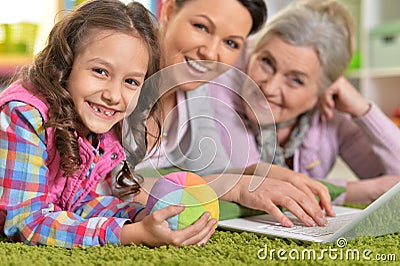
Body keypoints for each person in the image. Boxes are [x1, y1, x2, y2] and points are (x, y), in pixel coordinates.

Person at [0, 0, 216, 248]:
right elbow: (27, 222)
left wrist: (138, 216)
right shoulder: (24, 116)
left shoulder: (101, 128)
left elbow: (75, 203)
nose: (114, 95)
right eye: (101, 71)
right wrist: (130, 235)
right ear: (66, 65)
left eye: (131, 82)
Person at [133, 0, 334, 228]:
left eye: (230, 43)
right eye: (201, 27)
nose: (210, 53)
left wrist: (261, 173)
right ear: (168, 11)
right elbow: (100, 186)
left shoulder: (194, 87)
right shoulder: (123, 69)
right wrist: (234, 187)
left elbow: (214, 170)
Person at [232, 0, 400, 205]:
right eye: (266, 62)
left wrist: (362, 109)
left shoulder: (331, 117)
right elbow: (238, 175)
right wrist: (357, 191)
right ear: (253, 52)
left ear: (320, 92)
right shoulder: (227, 86)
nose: (269, 88)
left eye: (296, 80)